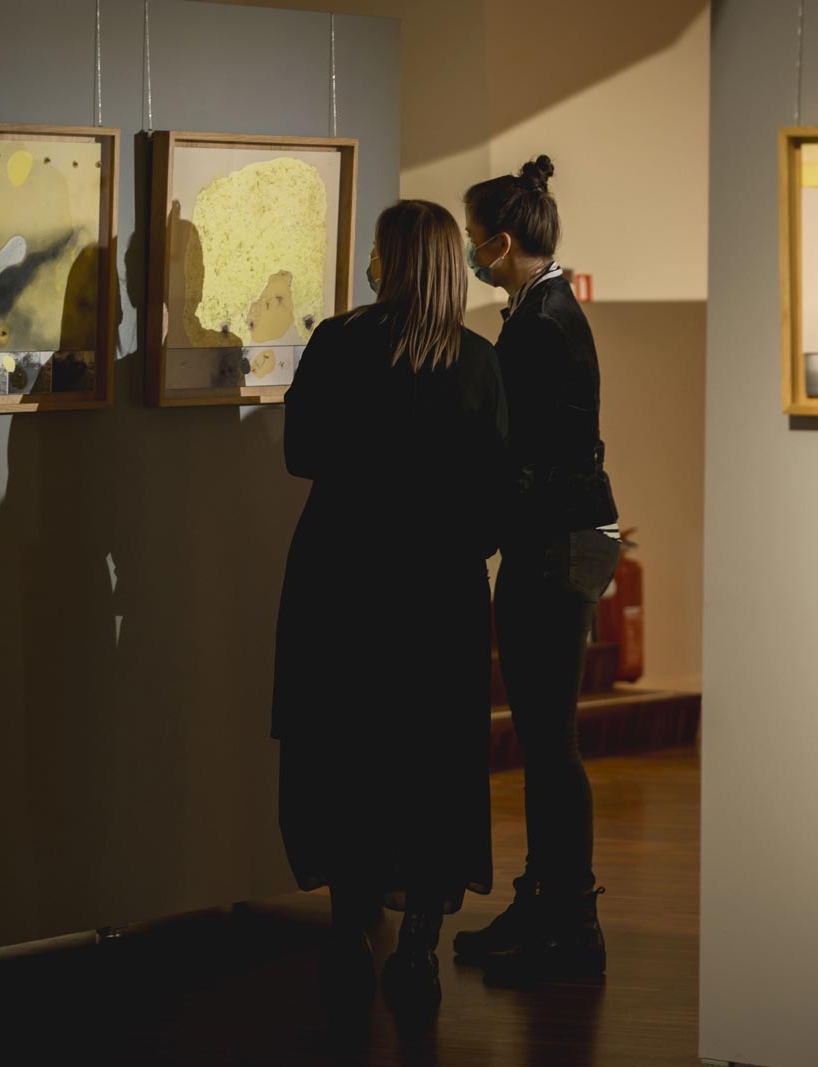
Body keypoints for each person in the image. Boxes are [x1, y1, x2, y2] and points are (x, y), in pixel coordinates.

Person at [272, 199, 508, 1018]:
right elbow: (496, 496)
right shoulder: (479, 362)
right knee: (433, 765)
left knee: (345, 757)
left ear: (395, 260)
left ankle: (347, 939)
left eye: (376, 250)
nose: (369, 262)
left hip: (340, 582)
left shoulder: (338, 344)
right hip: (439, 595)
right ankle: (419, 952)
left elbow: (300, 452)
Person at [452, 156, 622, 985]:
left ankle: (570, 920)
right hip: (561, 538)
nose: (471, 255)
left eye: (475, 239)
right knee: (546, 738)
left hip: (555, 544)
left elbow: (525, 457)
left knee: (550, 741)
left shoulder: (540, 325)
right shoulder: (542, 311)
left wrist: (475, 530)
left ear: (504, 239)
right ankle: (547, 899)